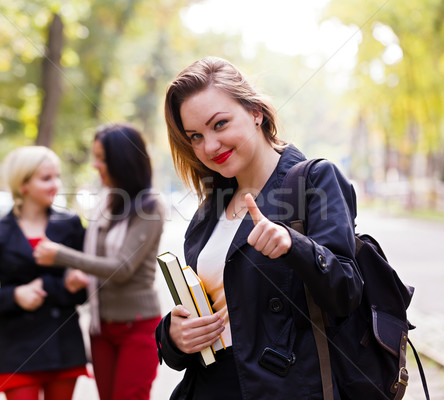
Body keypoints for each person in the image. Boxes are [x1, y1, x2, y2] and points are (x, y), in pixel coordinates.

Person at [155, 56, 364, 399]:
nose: (209, 146)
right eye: (195, 135)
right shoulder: (210, 209)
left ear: (256, 112)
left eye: (219, 124)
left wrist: (293, 244)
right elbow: (217, 306)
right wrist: (174, 336)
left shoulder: (313, 180)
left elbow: (347, 293)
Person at [33, 123, 165, 400]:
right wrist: (72, 271)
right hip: (101, 328)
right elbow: (92, 257)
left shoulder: (150, 206)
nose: (95, 165)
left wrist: (60, 256)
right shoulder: (105, 202)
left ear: (123, 161)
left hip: (137, 328)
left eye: (102, 158)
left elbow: (121, 268)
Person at [0, 146, 88, 400]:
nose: (55, 184)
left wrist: (75, 285)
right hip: (18, 352)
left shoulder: (71, 225)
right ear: (23, 185)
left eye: (56, 176)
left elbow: (84, 294)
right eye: (46, 178)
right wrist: (15, 296)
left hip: (63, 346)